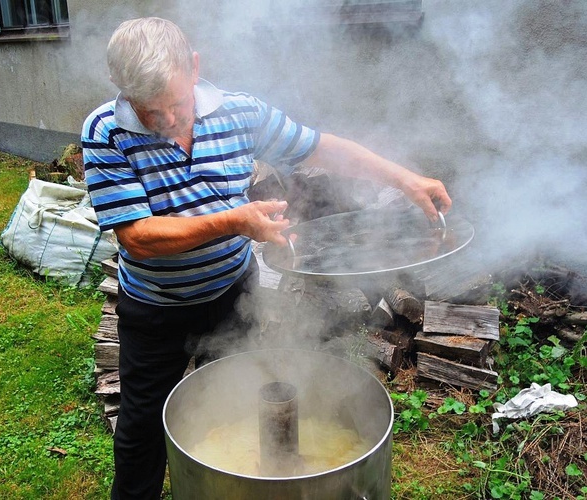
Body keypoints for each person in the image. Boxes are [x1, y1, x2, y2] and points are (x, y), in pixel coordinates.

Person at [81, 17, 451, 500]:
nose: (168, 122)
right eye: (151, 112)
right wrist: (236, 220)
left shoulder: (240, 113)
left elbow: (319, 148)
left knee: (246, 404)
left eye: (176, 104)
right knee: (141, 435)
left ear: (194, 68)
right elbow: (140, 238)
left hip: (235, 292)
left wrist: (404, 178)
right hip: (155, 308)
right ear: (124, 94)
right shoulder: (105, 131)